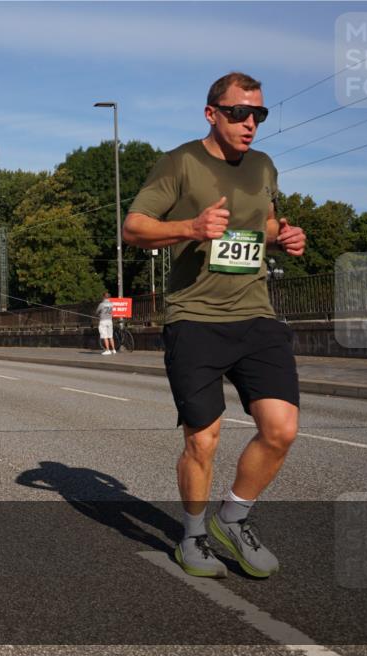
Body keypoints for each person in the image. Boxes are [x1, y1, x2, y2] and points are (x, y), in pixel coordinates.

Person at [123, 72, 307, 579]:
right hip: (195, 319)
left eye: (259, 115)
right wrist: (190, 227)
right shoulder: (181, 162)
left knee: (281, 429)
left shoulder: (264, 165)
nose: (250, 123)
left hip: (255, 314)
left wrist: (283, 237)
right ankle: (193, 536)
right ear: (212, 113)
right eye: (238, 113)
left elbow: (263, 222)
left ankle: (234, 517)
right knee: (202, 439)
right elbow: (134, 226)